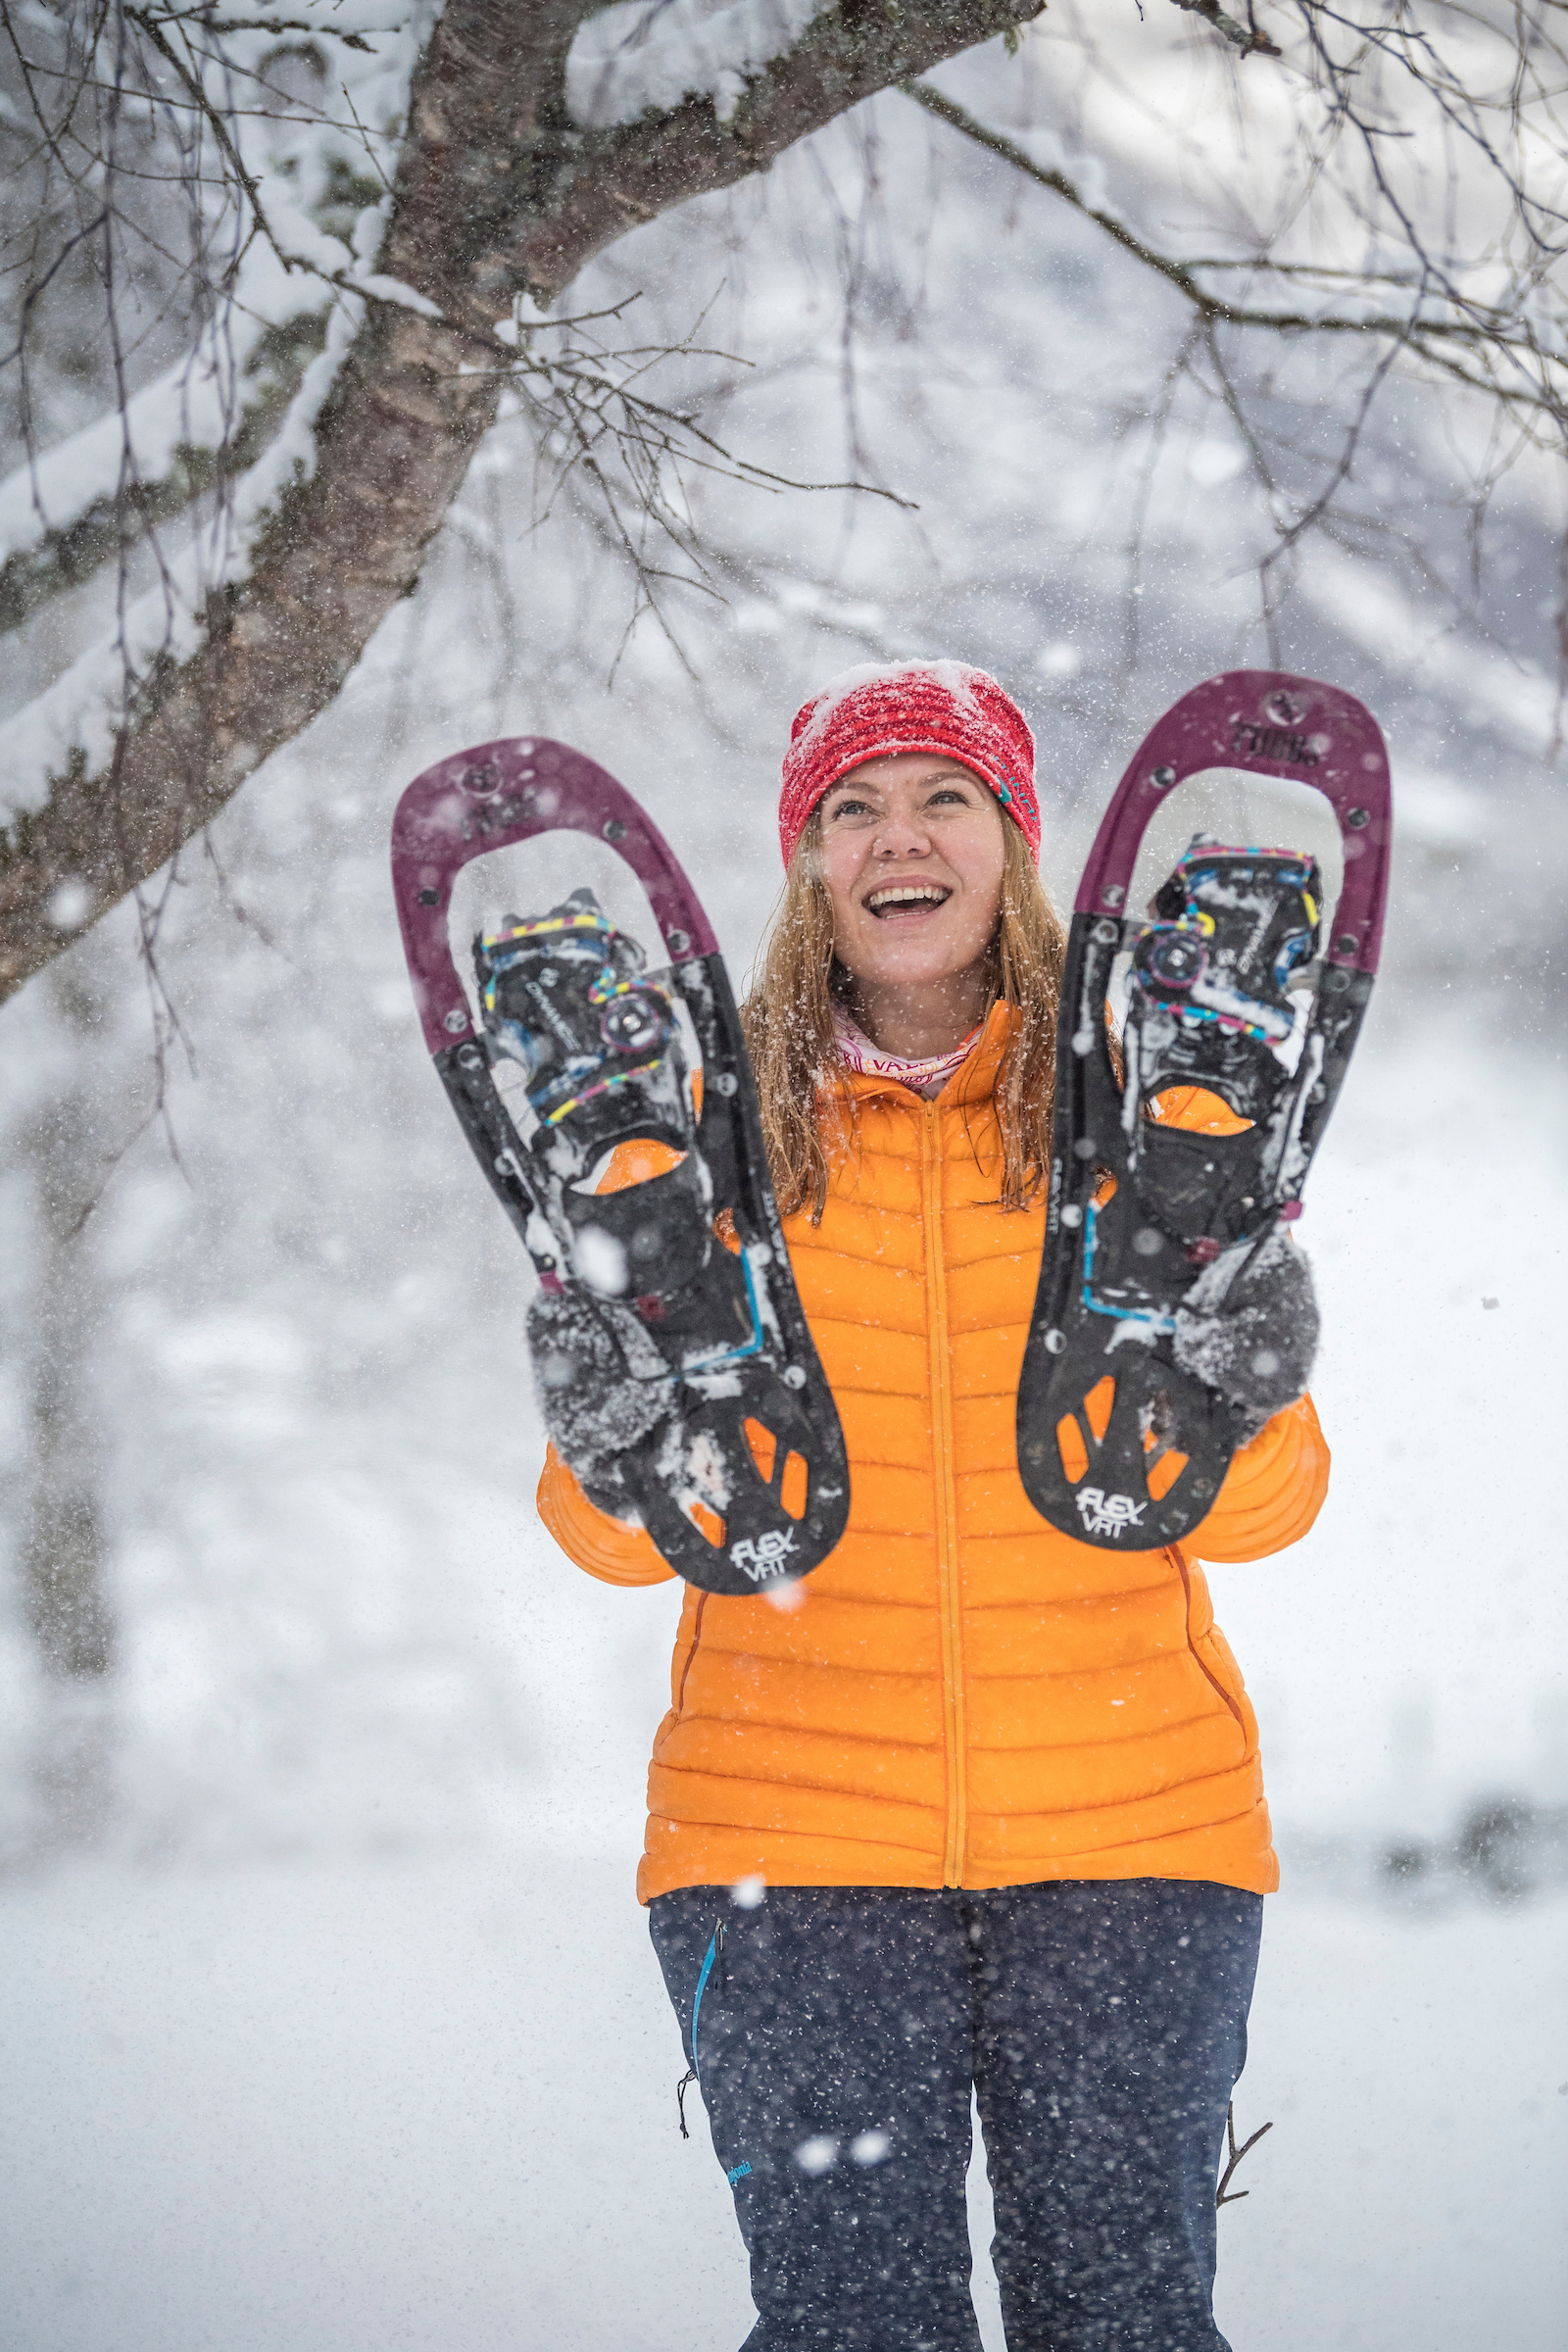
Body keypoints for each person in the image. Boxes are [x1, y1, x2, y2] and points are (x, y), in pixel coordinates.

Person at [533, 662, 1329, 2352]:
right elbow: (614, 1543)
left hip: (1132, 1839)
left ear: (1014, 843)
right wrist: (606, 1444)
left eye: (944, 798)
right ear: (808, 862)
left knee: (1122, 2321)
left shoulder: (1151, 1117)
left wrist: (1246, 1384)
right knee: (856, 2329)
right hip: (789, 1852)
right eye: (855, 808)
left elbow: (1263, 1514)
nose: (899, 838)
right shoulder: (697, 1148)